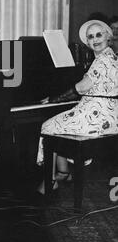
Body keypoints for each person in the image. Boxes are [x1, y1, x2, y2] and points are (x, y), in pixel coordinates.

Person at [37, 19, 118, 194]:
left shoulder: (103, 60)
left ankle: (54, 178)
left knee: (48, 126)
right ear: (87, 42)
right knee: (62, 123)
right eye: (91, 37)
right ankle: (63, 172)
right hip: (109, 114)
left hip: (97, 117)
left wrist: (53, 99)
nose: (95, 39)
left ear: (108, 37)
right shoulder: (111, 56)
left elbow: (81, 88)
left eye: (99, 35)